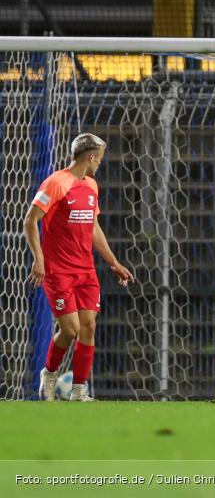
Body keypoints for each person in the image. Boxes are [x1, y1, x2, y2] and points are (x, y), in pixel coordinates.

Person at [24, 133, 135, 401]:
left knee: (89, 327)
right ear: (91, 156)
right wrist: (39, 258)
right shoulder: (56, 183)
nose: (100, 164)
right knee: (71, 329)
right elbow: (30, 220)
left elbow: (94, 228)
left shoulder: (92, 186)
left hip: (85, 270)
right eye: (100, 158)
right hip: (58, 270)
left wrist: (114, 263)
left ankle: (79, 392)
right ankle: (49, 375)